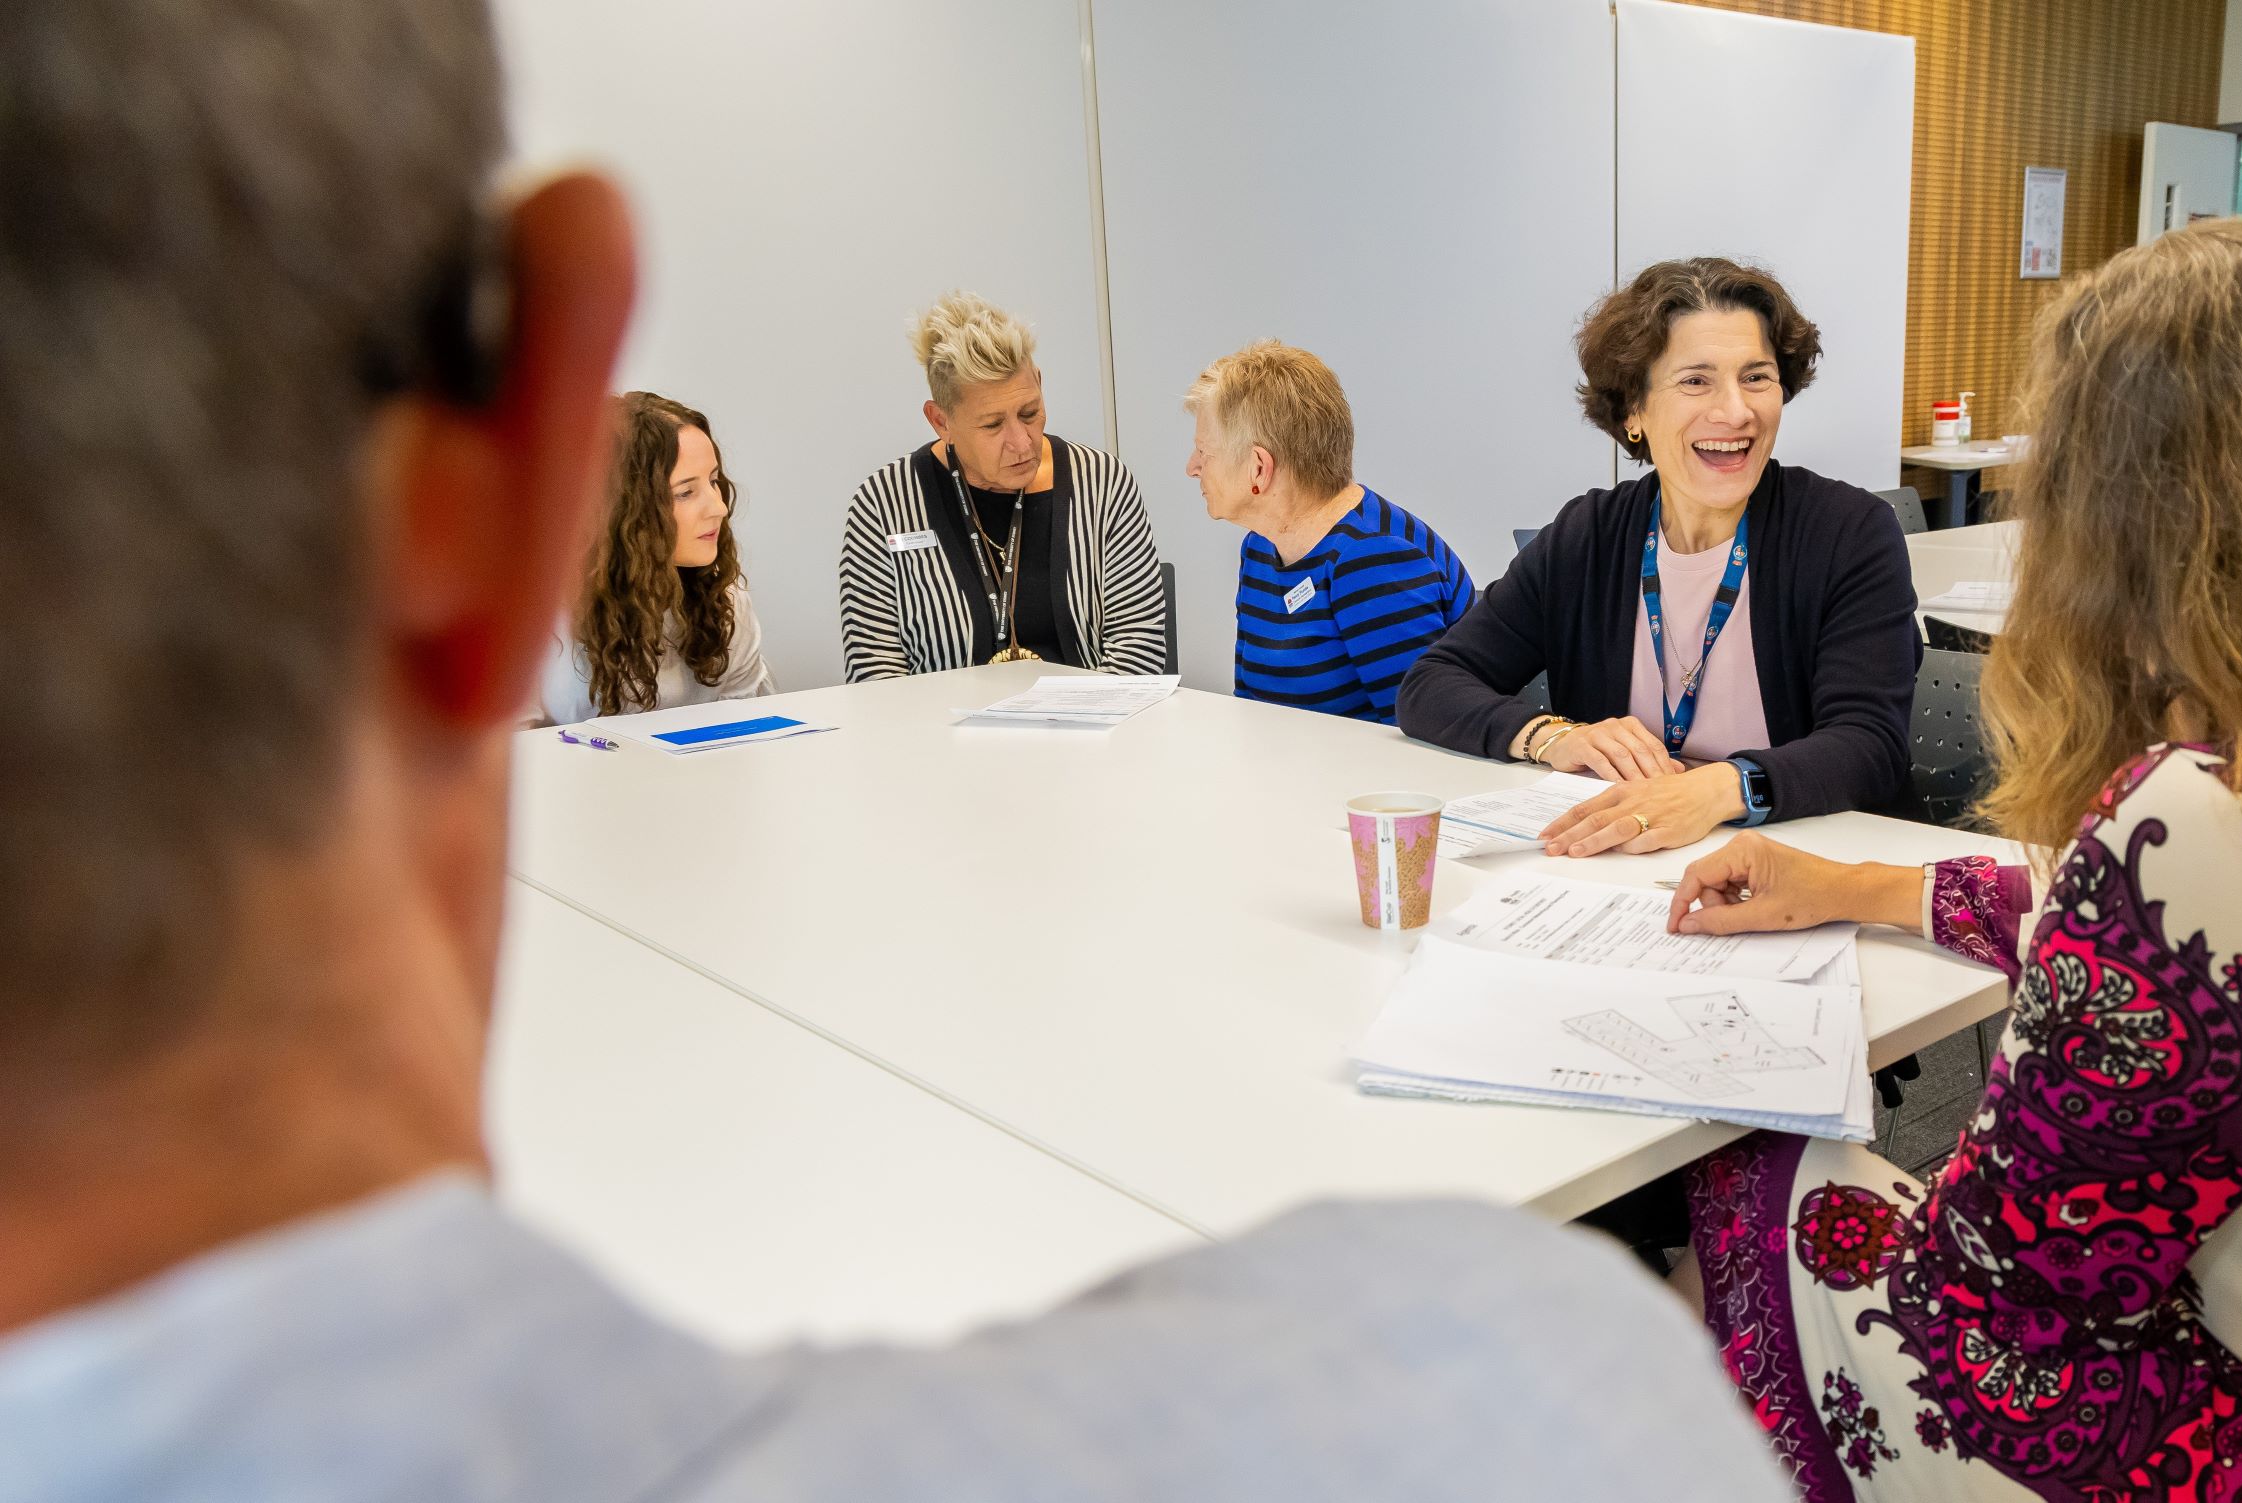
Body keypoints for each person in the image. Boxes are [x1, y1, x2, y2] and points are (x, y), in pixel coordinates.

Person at [0, 5, 1797, 1499]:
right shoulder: (1519, 1394)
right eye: (999, 416)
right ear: (560, 462)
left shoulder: (1153, 509)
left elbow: (1153, 662)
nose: (1053, 441)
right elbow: (893, 669)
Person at [1656, 221, 2242, 1499]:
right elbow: (2207, 958)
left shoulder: (2207, 822)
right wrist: (1852, 890)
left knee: (1753, 1174)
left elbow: (1993, 1314)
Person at [1397, 258, 1917, 857]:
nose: (1736, 412)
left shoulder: (1847, 533)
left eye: (1757, 377)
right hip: (1626, 864)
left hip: (1802, 862)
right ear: (1633, 412)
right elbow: (1431, 684)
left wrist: (1721, 789)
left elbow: (1869, 745)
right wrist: (1550, 737)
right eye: (1696, 381)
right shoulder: (1588, 536)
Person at [838, 293, 1166, 680]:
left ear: (1040, 382)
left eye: (1029, 413)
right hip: (937, 737)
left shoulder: (1102, 482)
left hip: (1092, 732)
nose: (1022, 442)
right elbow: (875, 677)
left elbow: (1140, 655)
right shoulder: (884, 504)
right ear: (940, 421)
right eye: (993, 425)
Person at [1186, 340, 1474, 723]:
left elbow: (1421, 734)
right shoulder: (1260, 545)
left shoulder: (1374, 558)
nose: (1192, 467)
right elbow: (1251, 704)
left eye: (1204, 452)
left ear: (1258, 468)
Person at [539, 391, 774, 724]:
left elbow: (753, 728)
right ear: (622, 510)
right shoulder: (540, 612)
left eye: (713, 481)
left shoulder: (724, 598)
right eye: (686, 492)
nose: (720, 508)